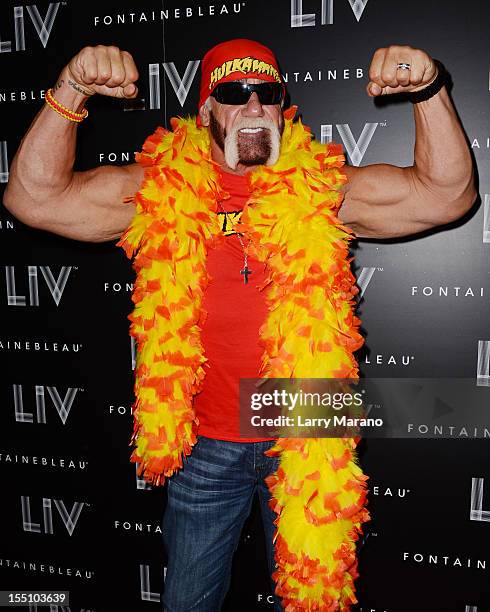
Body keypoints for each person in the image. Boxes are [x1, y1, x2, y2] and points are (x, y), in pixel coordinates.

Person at [3, 39, 475, 612]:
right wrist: (72, 88)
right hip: (207, 445)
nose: (253, 106)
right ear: (206, 112)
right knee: (188, 603)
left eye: (267, 94)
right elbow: (34, 199)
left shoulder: (323, 190)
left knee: (317, 598)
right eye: (233, 93)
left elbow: (447, 195)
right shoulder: (157, 193)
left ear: (283, 107)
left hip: (305, 424)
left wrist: (427, 90)